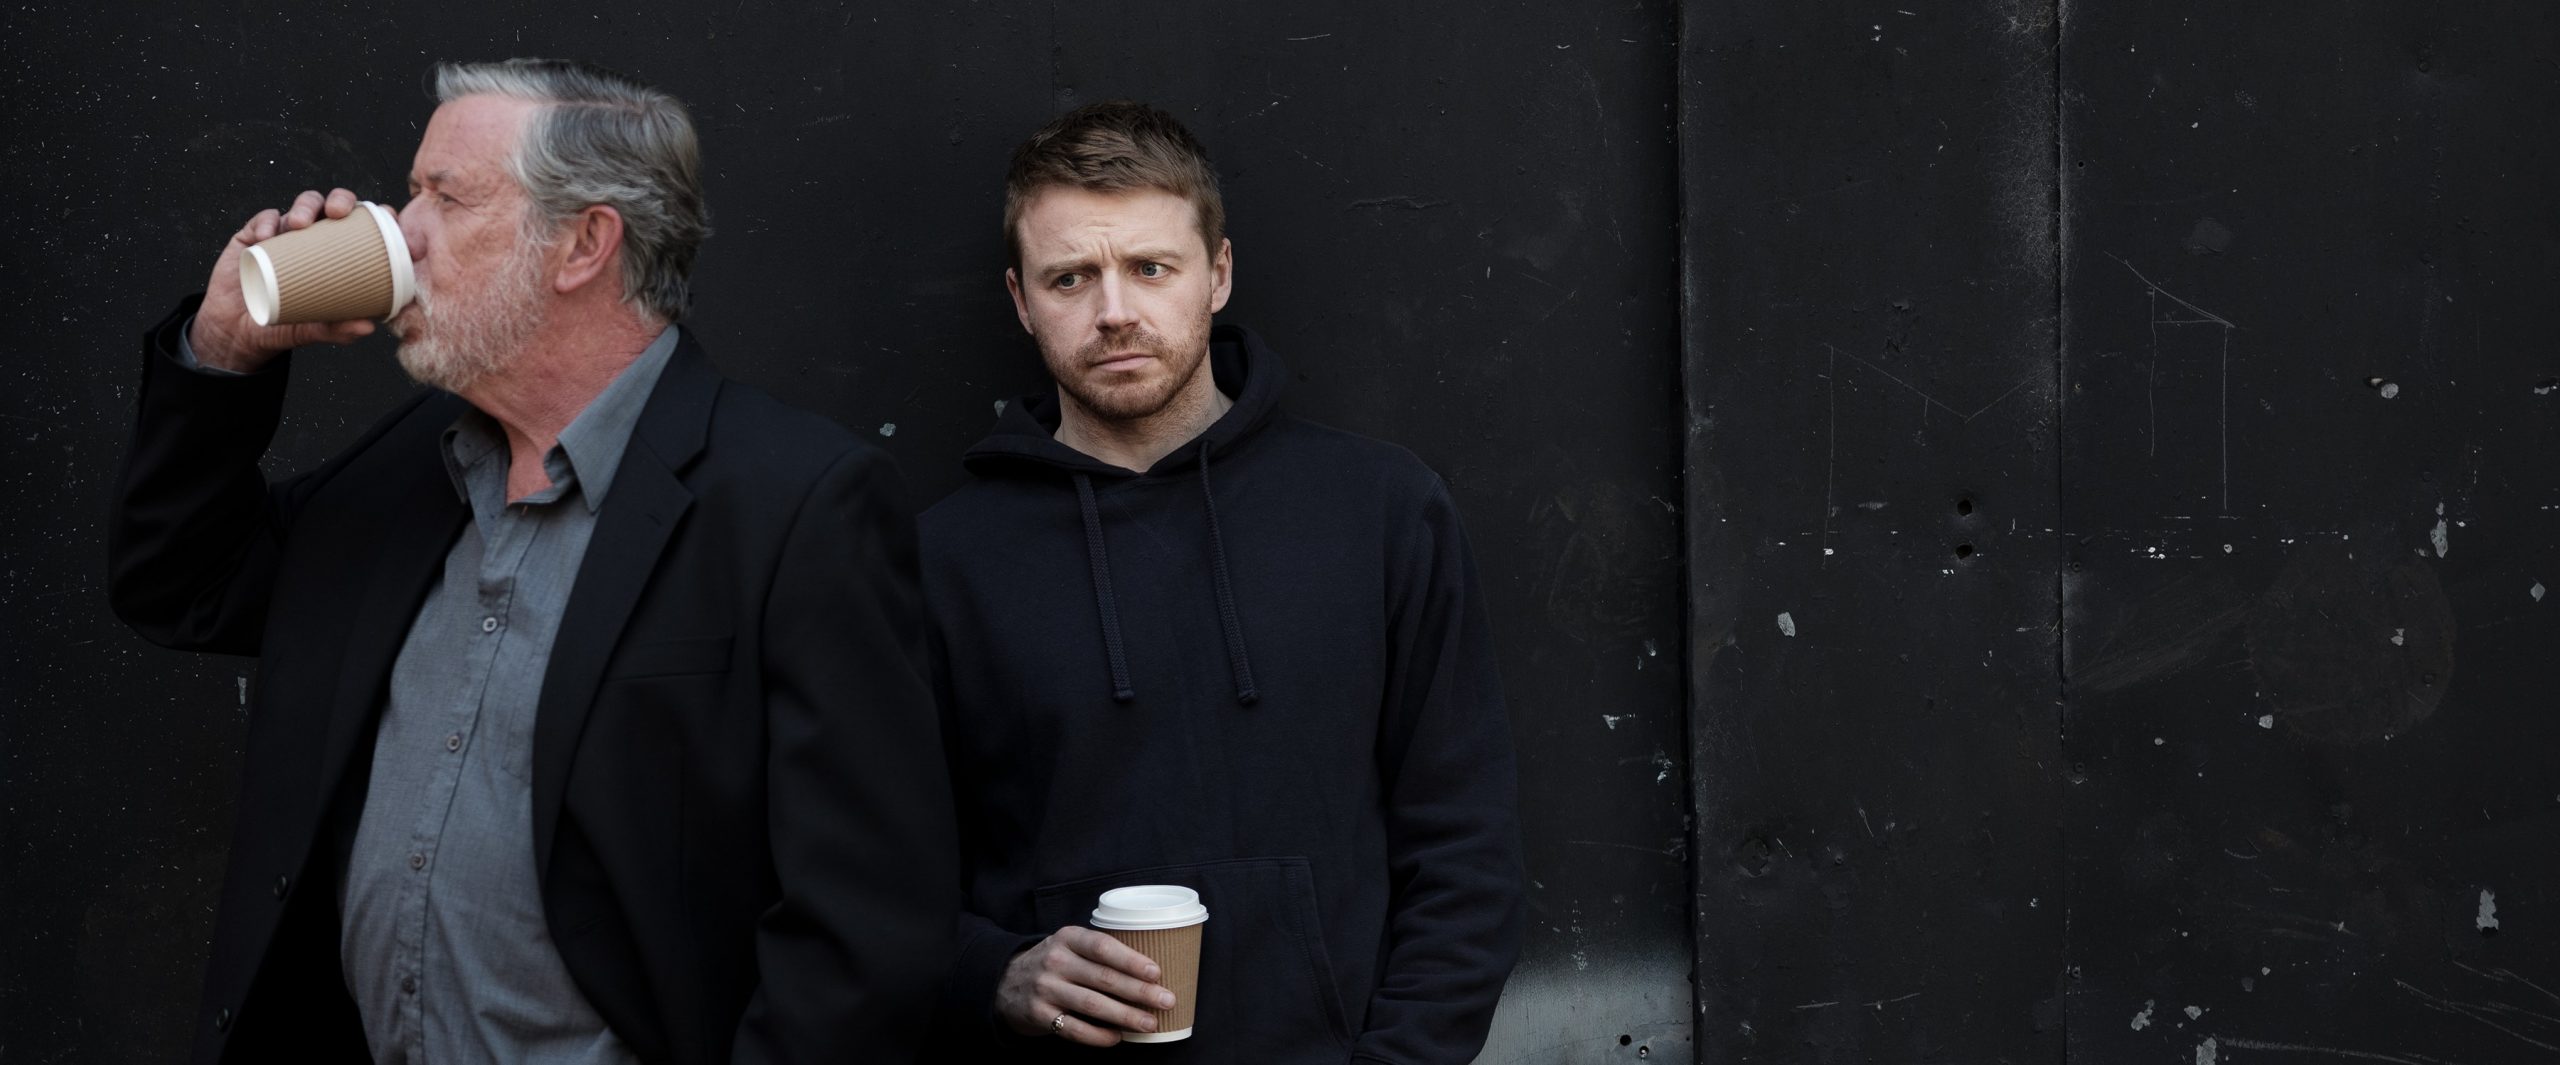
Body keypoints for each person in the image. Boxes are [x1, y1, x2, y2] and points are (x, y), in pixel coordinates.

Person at [107, 58, 954, 1065]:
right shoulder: (408, 469)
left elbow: (863, 943)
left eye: (445, 197)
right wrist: (223, 350)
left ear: (583, 244)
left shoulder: (794, 503)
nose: (398, 230)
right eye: (409, 191)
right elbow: (182, 585)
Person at [923, 100, 1524, 1062]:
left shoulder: (1379, 511)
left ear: (1219, 274)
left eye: (1150, 267)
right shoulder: (939, 561)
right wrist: (989, 971)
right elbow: (878, 876)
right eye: (1070, 276)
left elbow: (1464, 846)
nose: (1114, 310)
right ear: (1022, 299)